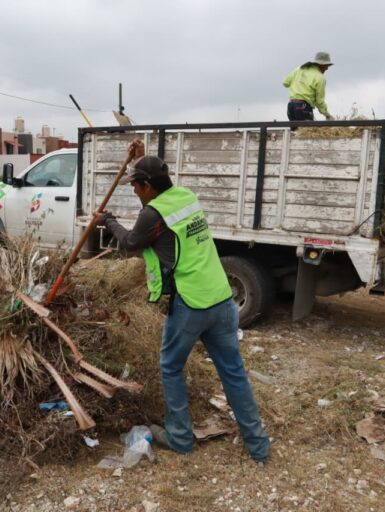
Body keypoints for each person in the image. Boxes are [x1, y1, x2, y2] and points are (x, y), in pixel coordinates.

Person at [95, 140, 270, 463]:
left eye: (135, 185)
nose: (134, 190)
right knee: (233, 372)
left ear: (147, 186)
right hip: (222, 298)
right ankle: (258, 444)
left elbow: (131, 243)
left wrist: (107, 221)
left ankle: (179, 437)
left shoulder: (153, 212)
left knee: (171, 366)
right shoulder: (187, 197)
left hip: (191, 303)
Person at [283, 51, 334, 121]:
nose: (327, 68)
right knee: (306, 131)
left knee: (295, 131)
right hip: (303, 107)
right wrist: (327, 114)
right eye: (327, 65)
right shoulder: (320, 78)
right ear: (321, 64)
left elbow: (285, 83)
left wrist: (299, 84)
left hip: (291, 106)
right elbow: (319, 101)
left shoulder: (299, 69)